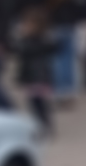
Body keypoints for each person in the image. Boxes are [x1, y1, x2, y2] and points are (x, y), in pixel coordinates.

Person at [12, 8, 59, 137]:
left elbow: (24, 52)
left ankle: (44, 127)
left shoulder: (36, 42)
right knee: (34, 105)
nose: (23, 27)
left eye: (27, 25)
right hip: (33, 78)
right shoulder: (33, 42)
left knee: (40, 105)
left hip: (39, 78)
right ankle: (41, 126)